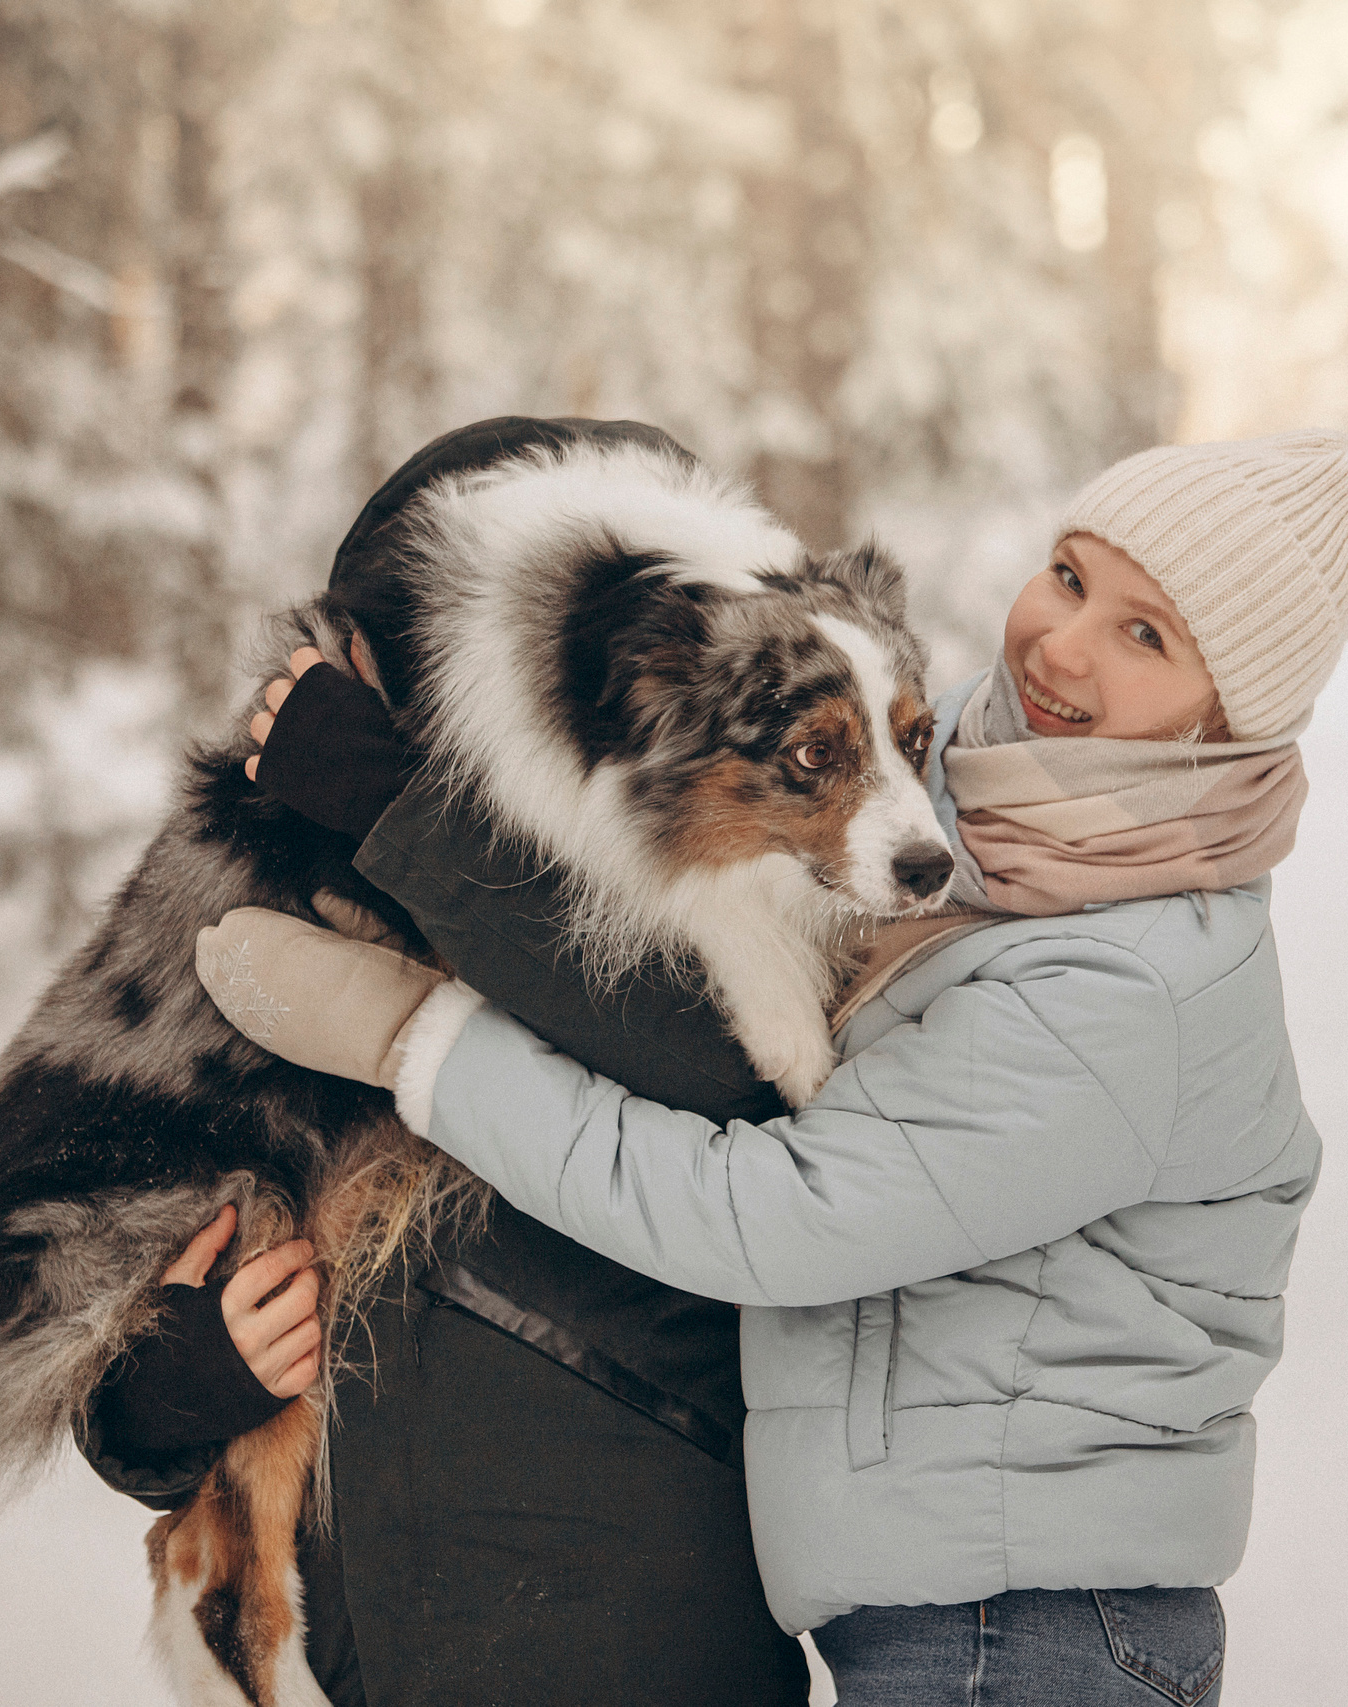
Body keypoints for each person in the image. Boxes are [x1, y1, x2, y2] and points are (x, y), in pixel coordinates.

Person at [199, 430, 1348, 1704]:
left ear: (1230, 716)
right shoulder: (991, 814)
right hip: (947, 1611)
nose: (1061, 643)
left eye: (1147, 635)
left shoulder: (1127, 980)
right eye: (1067, 575)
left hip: (1035, 1630)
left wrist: (420, 1037)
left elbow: (773, 1215)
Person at [78, 418, 809, 1707]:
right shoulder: (260, 908)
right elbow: (73, 1266)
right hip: (328, 1663)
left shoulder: (748, 886)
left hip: (630, 1649)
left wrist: (404, 819)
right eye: (398, 669)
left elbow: (720, 1074)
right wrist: (161, 1390)